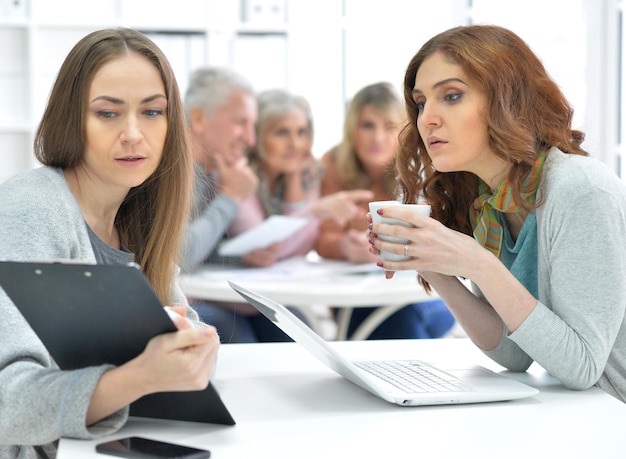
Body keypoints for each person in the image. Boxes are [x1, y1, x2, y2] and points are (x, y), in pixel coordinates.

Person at [368, 25, 626, 401]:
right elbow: (512, 353)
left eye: (452, 96)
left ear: (509, 100)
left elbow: (583, 365)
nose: (427, 119)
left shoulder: (581, 190)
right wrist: (429, 263)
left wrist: (478, 263)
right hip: (581, 416)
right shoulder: (487, 201)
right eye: (422, 102)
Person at [0, 28, 219, 458]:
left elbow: (185, 331)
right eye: (107, 113)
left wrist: (193, 348)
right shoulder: (30, 207)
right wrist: (141, 376)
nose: (134, 134)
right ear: (72, 120)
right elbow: (7, 402)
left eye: (152, 112)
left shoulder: (136, 216)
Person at [195, 88, 373, 342]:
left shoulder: (303, 174)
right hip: (223, 299)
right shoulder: (236, 174)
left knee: (303, 338)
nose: (295, 144)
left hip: (265, 299)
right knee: (255, 340)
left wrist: (293, 185)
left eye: (301, 132)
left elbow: (296, 248)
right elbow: (268, 246)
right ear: (258, 135)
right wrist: (313, 211)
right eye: (282, 132)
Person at [316, 82, 455, 339]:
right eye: (367, 125)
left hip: (418, 292)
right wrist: (345, 247)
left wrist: (392, 252)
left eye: (388, 126)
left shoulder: (421, 165)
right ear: (352, 129)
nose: (378, 137)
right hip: (356, 296)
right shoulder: (333, 164)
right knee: (370, 324)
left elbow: (439, 238)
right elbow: (323, 238)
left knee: (399, 318)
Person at [179, 66, 259, 273]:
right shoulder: (169, 174)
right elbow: (177, 259)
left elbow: (201, 255)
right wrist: (230, 197)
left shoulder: (208, 175)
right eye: (241, 123)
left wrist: (245, 257)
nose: (250, 140)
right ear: (199, 119)